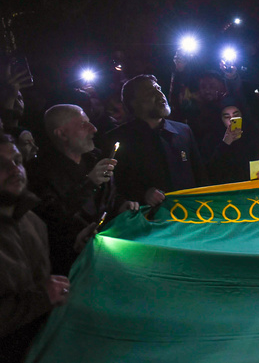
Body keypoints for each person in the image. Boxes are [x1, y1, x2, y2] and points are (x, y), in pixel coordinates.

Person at [28, 104, 138, 275]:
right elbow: (52, 217)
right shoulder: (39, 171)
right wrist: (90, 183)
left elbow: (109, 197)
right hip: (71, 263)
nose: (93, 129)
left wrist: (122, 205)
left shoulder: (95, 157)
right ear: (62, 134)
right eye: (83, 124)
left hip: (109, 254)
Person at [0, 134, 70, 362]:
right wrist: (42, 297)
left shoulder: (32, 221)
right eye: (2, 165)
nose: (15, 170)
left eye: (18, 161)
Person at [104, 75, 208, 208]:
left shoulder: (183, 131)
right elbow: (112, 188)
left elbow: (200, 176)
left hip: (189, 217)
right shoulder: (117, 139)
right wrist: (142, 194)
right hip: (148, 221)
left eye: (159, 89)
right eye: (150, 92)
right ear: (133, 103)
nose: (160, 95)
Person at [204, 104, 259, 184]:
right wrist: (225, 143)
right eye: (227, 117)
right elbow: (211, 170)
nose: (232, 119)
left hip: (254, 186)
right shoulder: (211, 139)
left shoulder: (255, 135)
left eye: (236, 116)